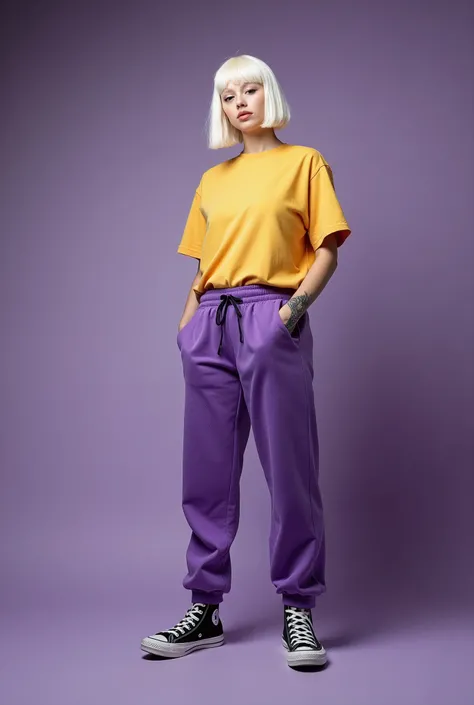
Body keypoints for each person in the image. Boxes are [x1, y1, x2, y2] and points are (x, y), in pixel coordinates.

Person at [141, 54, 351, 669]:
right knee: (205, 474)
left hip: (271, 316)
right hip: (210, 323)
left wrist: (292, 312)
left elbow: (328, 250)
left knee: (290, 468)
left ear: (270, 94)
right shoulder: (212, 181)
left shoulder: (304, 162)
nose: (240, 102)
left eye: (250, 89)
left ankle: (299, 608)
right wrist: (187, 326)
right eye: (228, 95)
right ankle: (203, 607)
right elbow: (201, 267)